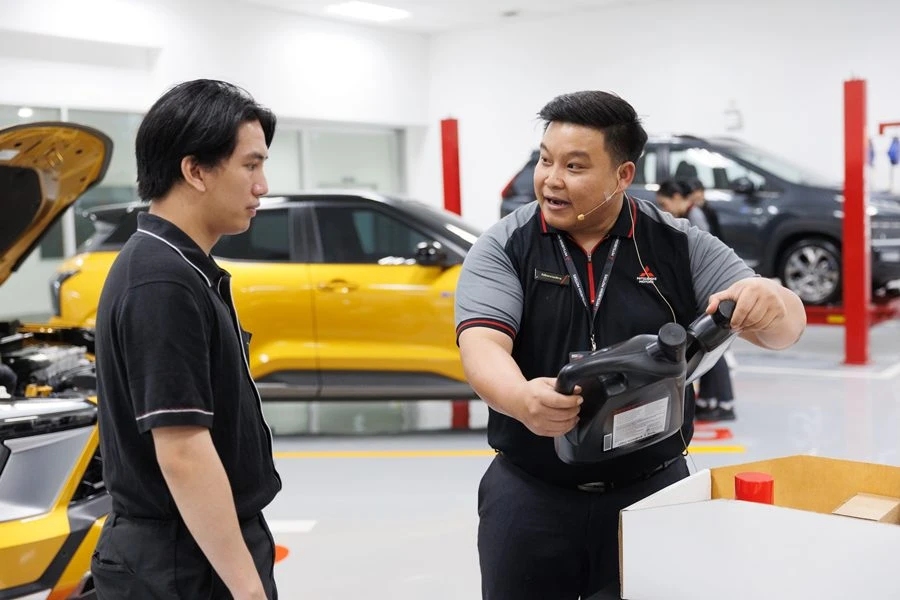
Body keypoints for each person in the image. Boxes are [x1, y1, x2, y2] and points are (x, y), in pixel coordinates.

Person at [455, 90, 806, 599]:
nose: (551, 179)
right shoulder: (504, 245)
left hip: (653, 493)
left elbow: (784, 326)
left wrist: (772, 300)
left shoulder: (677, 244)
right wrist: (520, 398)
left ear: (622, 175)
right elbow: (483, 346)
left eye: (574, 166)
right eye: (545, 161)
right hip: (531, 494)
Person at [92, 79, 281, 599]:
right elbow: (183, 451)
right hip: (180, 565)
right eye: (250, 165)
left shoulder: (178, 266)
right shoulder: (162, 280)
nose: (262, 186)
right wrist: (246, 588)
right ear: (195, 170)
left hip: (193, 549)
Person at [680, 178, 736, 420]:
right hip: (712, 289)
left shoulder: (695, 217)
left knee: (711, 345)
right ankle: (708, 400)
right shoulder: (701, 211)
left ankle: (724, 403)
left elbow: (705, 256)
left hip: (711, 291)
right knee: (706, 347)